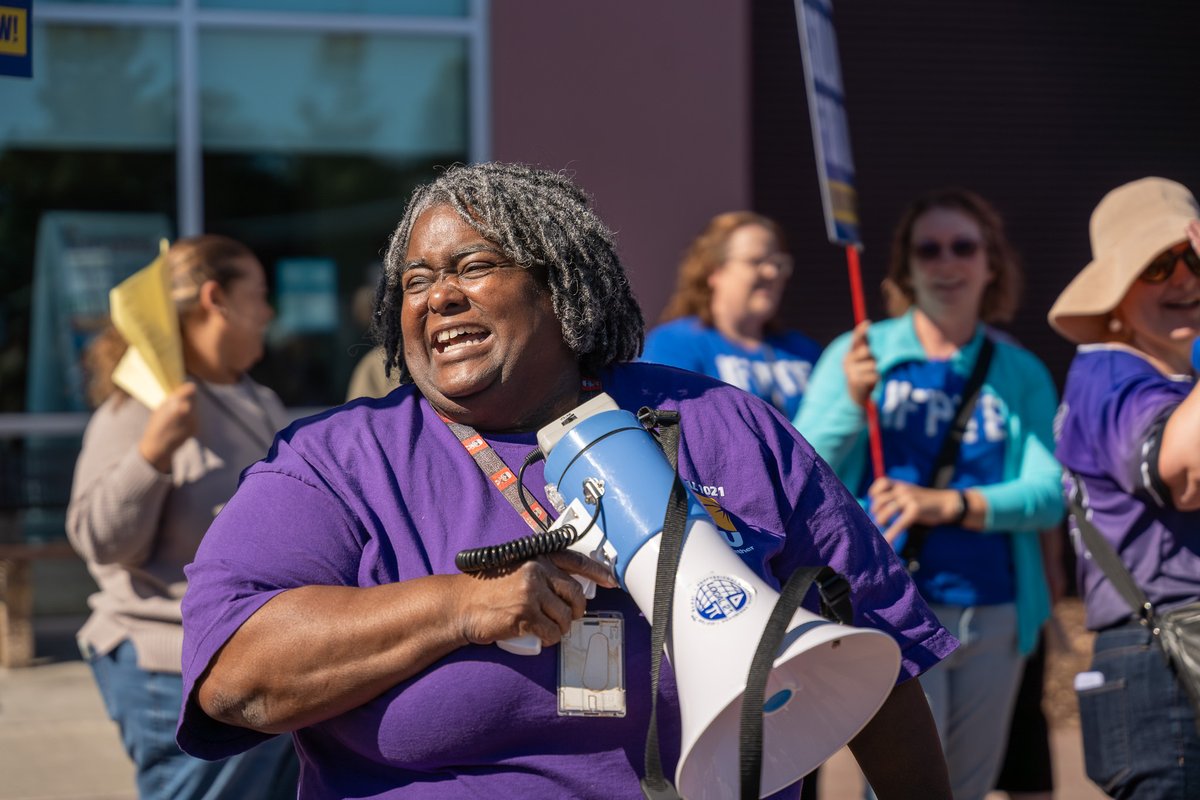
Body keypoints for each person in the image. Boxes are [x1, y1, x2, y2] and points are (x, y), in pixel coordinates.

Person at [175, 163, 956, 799]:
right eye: (414, 282)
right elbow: (234, 679)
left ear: (563, 286)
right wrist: (461, 607)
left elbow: (872, 659)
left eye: (473, 266)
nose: (438, 295)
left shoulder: (724, 426)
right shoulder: (335, 462)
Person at [795, 188, 1063, 800]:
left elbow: (1050, 492)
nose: (947, 263)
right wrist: (849, 400)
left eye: (963, 247)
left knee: (963, 791)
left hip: (995, 612)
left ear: (990, 263)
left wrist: (945, 504)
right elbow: (798, 471)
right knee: (904, 789)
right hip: (892, 605)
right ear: (906, 267)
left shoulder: (1018, 370)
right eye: (929, 249)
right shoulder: (860, 353)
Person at [66, 235, 298, 799]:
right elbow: (98, 538)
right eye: (261, 294)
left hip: (257, 658)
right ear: (217, 298)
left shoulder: (258, 399)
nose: (270, 312)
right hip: (171, 668)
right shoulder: (140, 406)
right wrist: (152, 455)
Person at [1049, 176, 1200, 798]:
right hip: (1160, 665)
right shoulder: (1107, 371)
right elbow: (1186, 471)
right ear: (1116, 290)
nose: (1185, 279)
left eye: (1193, 258)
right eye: (1158, 264)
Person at [642, 211, 821, 417]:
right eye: (756, 261)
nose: (772, 273)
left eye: (778, 263)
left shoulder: (803, 350)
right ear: (714, 271)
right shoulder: (674, 344)